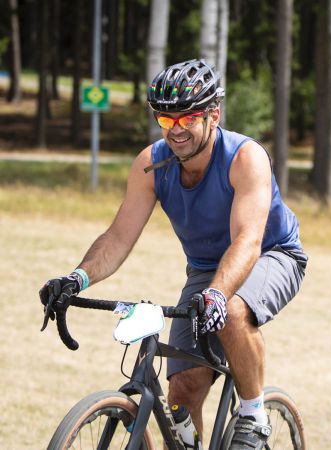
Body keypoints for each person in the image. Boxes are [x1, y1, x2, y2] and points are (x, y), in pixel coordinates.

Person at [39, 59, 308, 450]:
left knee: (231, 312)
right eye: (166, 121)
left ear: (213, 114)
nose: (176, 130)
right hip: (206, 268)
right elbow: (117, 237)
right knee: (182, 389)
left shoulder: (245, 158)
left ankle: (253, 414)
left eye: (188, 118)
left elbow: (248, 241)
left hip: (271, 253)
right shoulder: (151, 164)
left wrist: (218, 294)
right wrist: (76, 278)